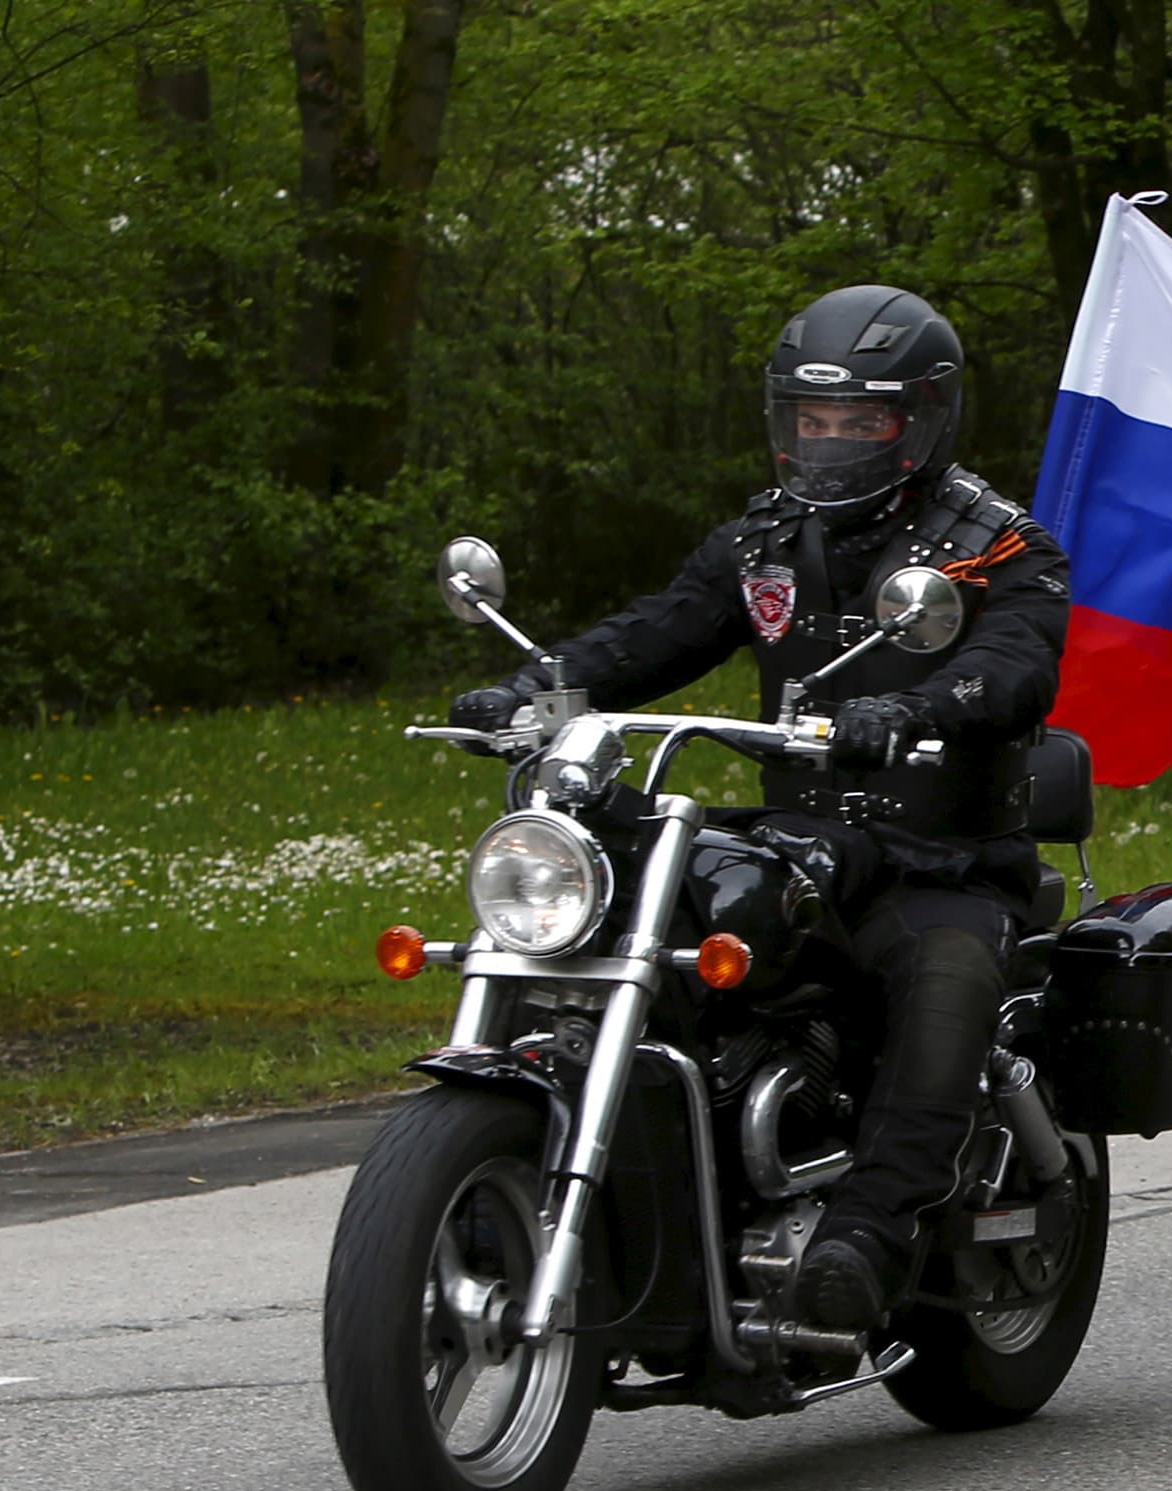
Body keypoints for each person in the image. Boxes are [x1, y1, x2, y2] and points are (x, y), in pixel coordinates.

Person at [448, 285, 1070, 1332]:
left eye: (858, 422)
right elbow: (660, 632)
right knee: (645, 901)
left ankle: (864, 1234)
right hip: (807, 837)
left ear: (918, 419)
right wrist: (540, 686)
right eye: (812, 421)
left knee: (943, 971)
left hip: (940, 853)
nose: (829, 444)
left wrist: (916, 705)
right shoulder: (763, 540)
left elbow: (1015, 668)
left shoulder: (999, 547)